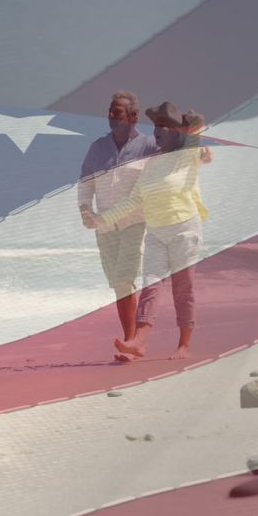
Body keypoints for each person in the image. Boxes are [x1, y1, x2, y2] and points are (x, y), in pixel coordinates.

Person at [85, 102, 211, 361]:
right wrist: (101, 220)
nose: (158, 131)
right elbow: (133, 201)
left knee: (182, 289)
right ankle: (140, 341)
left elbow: (201, 133)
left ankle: (184, 345)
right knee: (150, 286)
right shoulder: (151, 165)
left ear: (177, 131)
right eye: (156, 126)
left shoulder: (187, 155)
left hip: (184, 229)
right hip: (156, 232)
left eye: (164, 126)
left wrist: (190, 130)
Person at [77, 91, 160, 347]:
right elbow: (85, 182)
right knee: (118, 284)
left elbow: (174, 158)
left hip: (136, 223)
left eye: (118, 112)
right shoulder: (98, 147)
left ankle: (132, 340)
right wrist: (84, 210)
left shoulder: (148, 145)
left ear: (134, 116)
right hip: (103, 227)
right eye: (110, 111)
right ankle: (132, 338)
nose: (112, 116)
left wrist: (200, 155)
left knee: (125, 279)